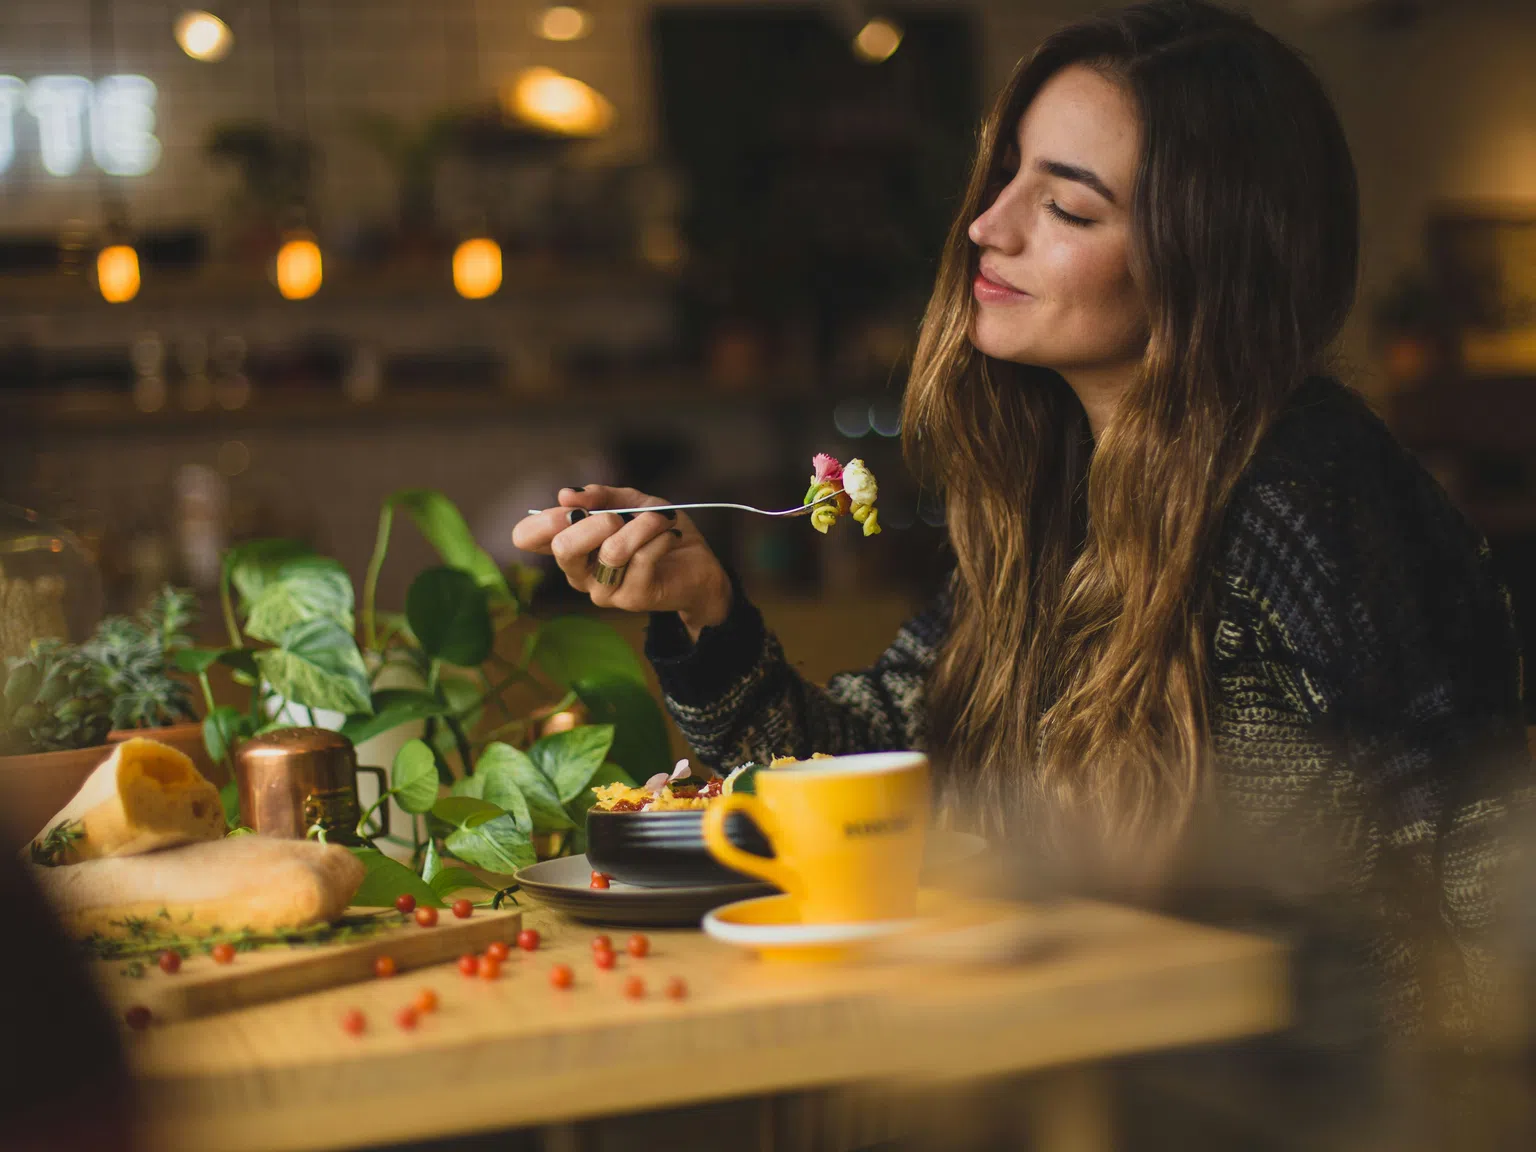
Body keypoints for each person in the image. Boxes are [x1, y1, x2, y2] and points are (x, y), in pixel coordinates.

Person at [513, 0, 1528, 1042]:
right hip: (1100, 1065)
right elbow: (878, 776)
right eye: (1007, 177)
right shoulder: (1061, 497)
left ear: (1207, 261)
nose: (987, 225)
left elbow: (1481, 864)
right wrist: (703, 609)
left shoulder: (1304, 499)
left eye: (1071, 209)